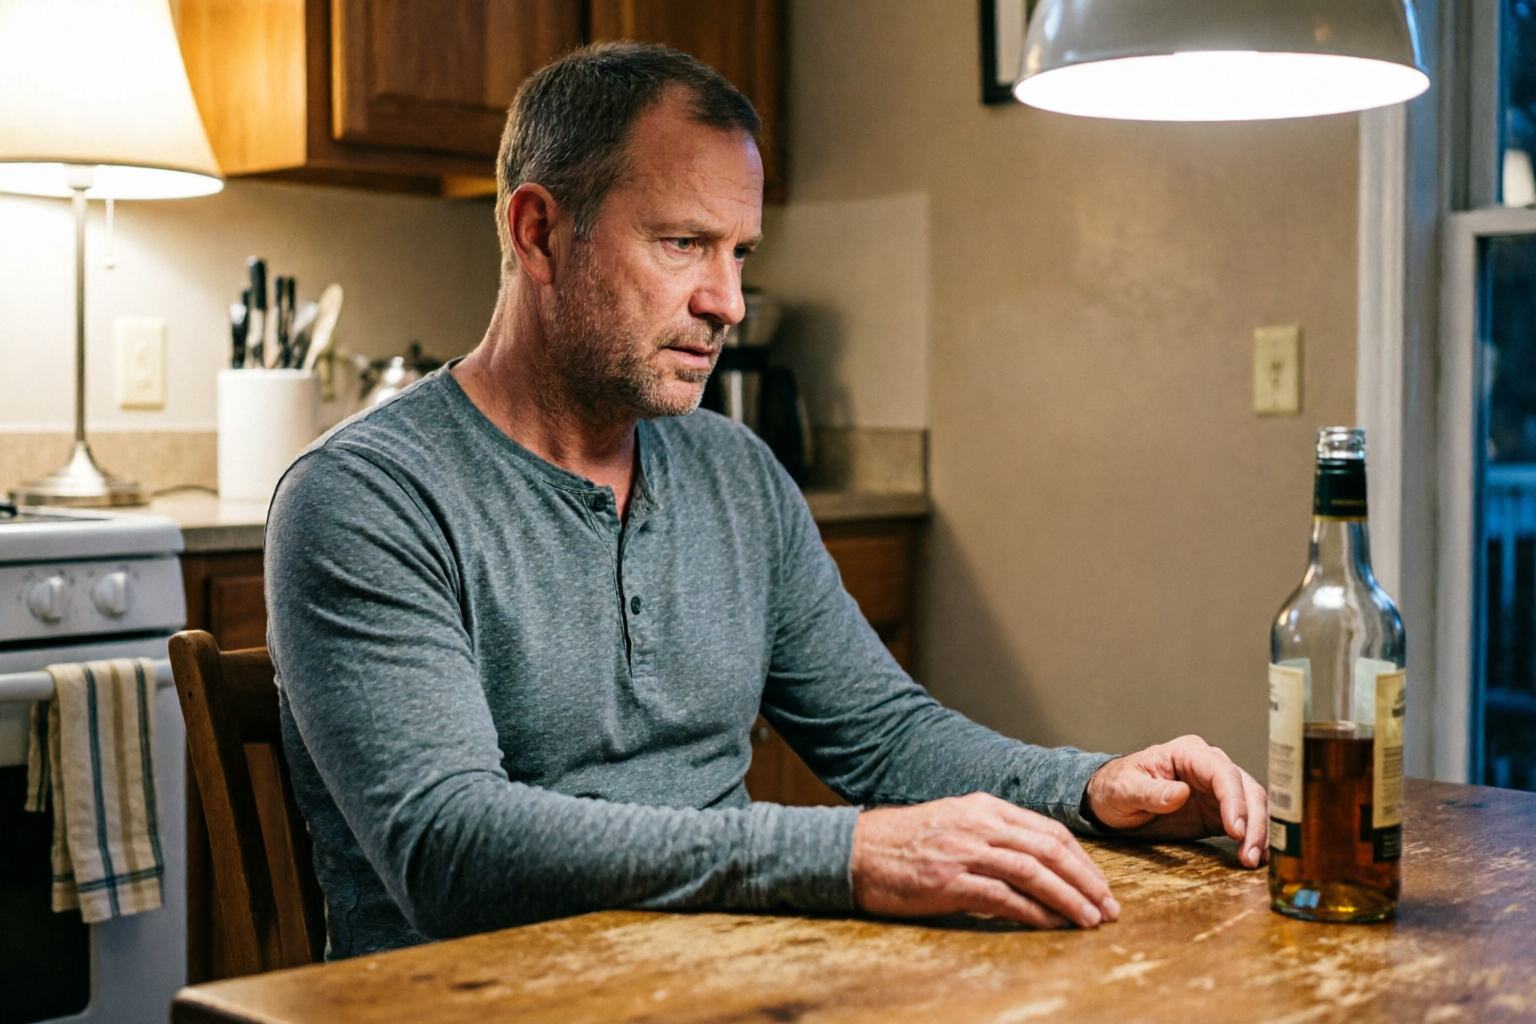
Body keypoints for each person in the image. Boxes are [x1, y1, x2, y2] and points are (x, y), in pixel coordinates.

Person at [265, 41, 1268, 961]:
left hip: (721, 979)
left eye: (739, 252)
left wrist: (1089, 787)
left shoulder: (735, 475)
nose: (728, 302)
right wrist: (849, 855)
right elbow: (450, 846)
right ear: (538, 231)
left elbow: (884, 736)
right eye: (683, 244)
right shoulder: (366, 498)